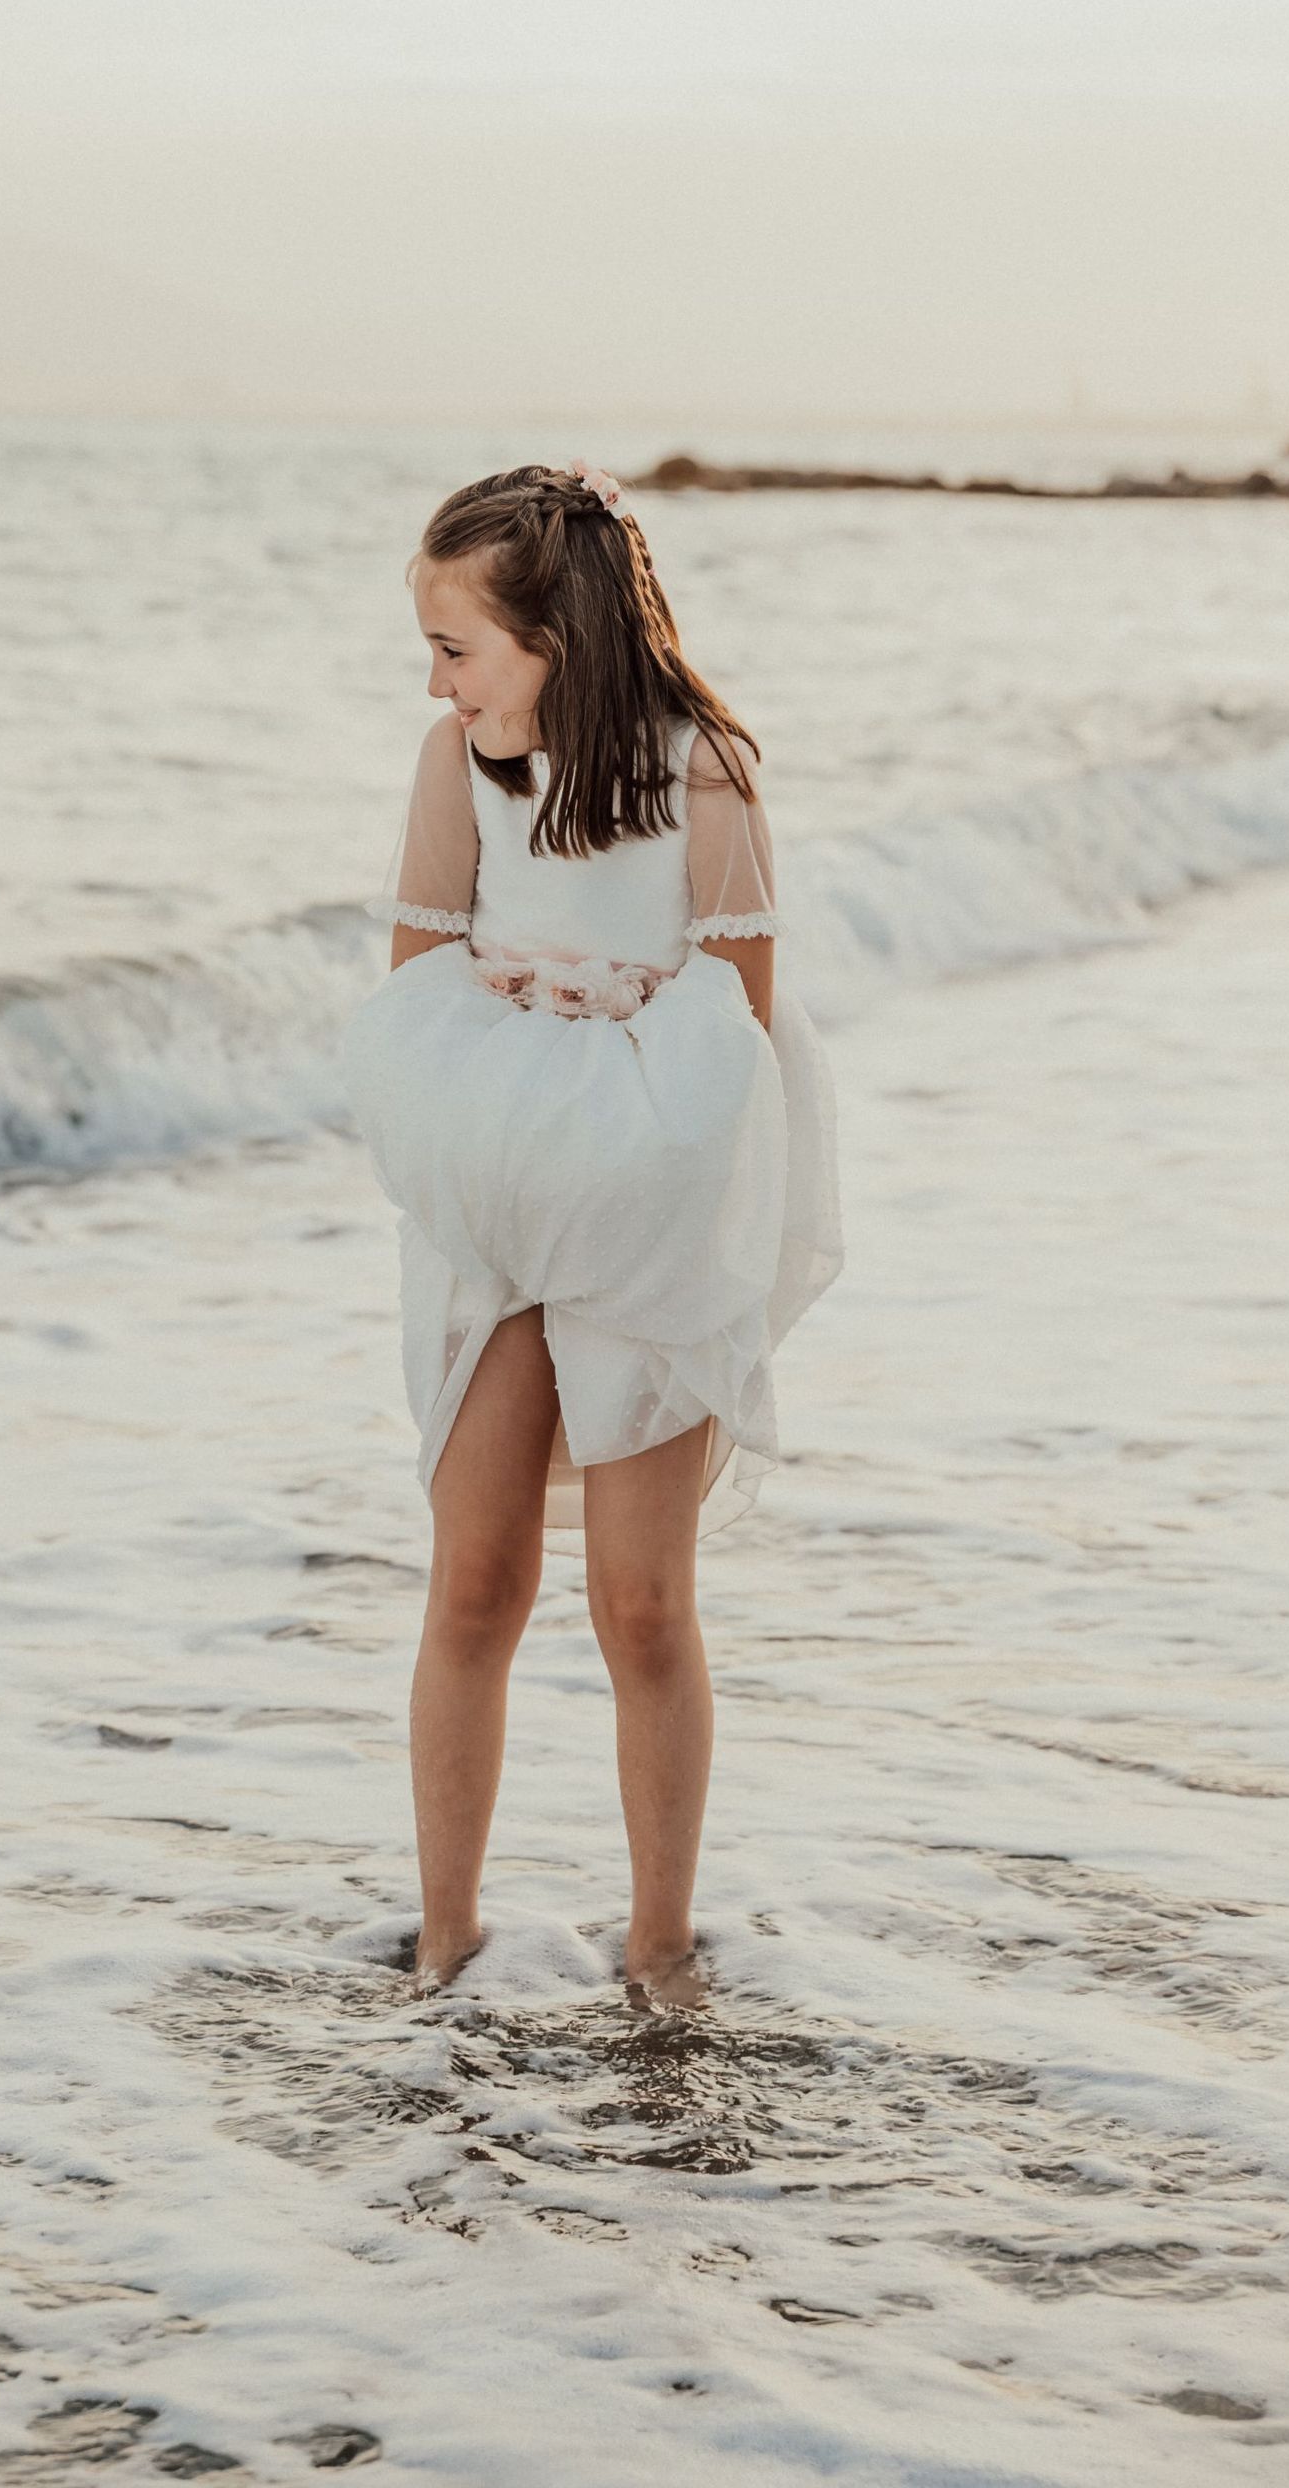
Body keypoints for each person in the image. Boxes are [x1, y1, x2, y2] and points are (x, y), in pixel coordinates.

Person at [339, 461, 843, 2009]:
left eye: (458, 648)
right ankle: (442, 1937)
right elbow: (422, 993)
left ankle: (661, 1943)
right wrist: (521, 1068)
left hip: (649, 1204)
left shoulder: (706, 774)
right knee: (473, 1576)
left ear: (556, 633)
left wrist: (594, 1040)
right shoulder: (457, 766)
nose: (437, 680)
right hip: (495, 1192)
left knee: (641, 1598)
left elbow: (733, 1033)